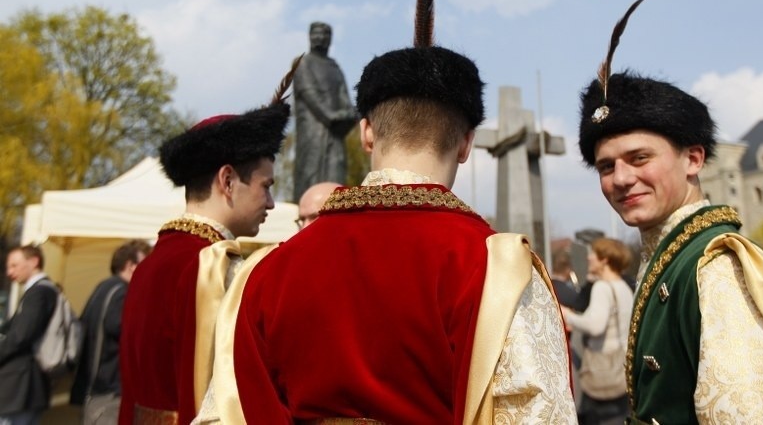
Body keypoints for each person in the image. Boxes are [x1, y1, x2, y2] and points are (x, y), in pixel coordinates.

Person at [202, 45, 577, 424]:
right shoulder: (499, 271)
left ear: (366, 133)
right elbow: (538, 412)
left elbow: (227, 412)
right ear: (466, 144)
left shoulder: (263, 272)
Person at [578, 0, 763, 423]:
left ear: (693, 159)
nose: (621, 178)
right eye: (607, 166)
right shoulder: (673, 258)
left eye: (640, 158)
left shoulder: (717, 270)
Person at [119, 79, 293, 425]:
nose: (272, 203)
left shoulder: (149, 264)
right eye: (266, 186)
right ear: (227, 181)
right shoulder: (217, 266)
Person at [70, 239, 149, 424]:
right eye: (144, 264)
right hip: (110, 390)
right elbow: (126, 332)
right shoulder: (122, 293)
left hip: (94, 387)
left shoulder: (103, 287)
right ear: (130, 265)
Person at [562, 238, 633, 425]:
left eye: (594, 254)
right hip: (621, 368)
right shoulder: (623, 286)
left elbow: (595, 325)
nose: (589, 258)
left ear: (605, 260)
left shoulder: (602, 287)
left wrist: (569, 316)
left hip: (602, 370)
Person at [292, 22, 358, 202]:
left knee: (335, 171)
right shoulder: (303, 63)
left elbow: (344, 96)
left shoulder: (334, 67)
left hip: (336, 132)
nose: (320, 38)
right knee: (311, 172)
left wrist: (351, 114)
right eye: (316, 34)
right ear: (309, 36)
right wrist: (329, 116)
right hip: (314, 133)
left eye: (325, 34)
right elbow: (310, 94)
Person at [0, 244, 58, 425]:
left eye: (14, 265)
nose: (9, 272)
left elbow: (21, 336)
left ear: (34, 262)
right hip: (26, 387)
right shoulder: (41, 291)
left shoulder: (39, 293)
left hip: (22, 386)